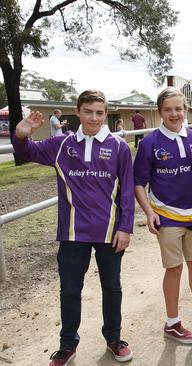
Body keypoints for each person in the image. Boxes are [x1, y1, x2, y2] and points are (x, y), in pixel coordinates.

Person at [12, 90, 134, 365]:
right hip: (72, 234)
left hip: (110, 232)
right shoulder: (61, 144)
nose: (94, 117)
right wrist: (21, 134)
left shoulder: (119, 147)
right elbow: (26, 150)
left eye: (99, 112)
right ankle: (68, 345)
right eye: (88, 111)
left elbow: (127, 191)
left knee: (112, 288)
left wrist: (125, 228)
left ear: (106, 114)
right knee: (69, 290)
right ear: (77, 112)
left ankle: (114, 338)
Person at [133, 87, 192, 344]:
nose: (174, 113)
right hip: (166, 216)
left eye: (179, 108)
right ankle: (172, 323)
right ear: (160, 112)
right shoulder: (149, 143)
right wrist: (149, 213)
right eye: (169, 109)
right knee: (174, 269)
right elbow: (139, 183)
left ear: (185, 111)